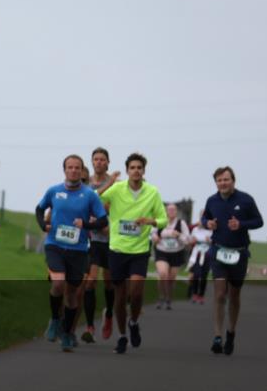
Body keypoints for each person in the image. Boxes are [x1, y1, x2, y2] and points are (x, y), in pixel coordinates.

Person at [36, 154, 109, 351]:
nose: (74, 170)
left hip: (78, 249)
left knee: (72, 295)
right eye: (70, 167)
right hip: (55, 245)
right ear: (64, 170)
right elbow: (39, 209)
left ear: (82, 170)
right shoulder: (54, 191)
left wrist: (85, 224)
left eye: (77, 167)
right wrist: (44, 224)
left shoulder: (90, 195)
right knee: (58, 282)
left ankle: (68, 332)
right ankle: (54, 320)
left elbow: (103, 220)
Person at [99, 152, 167, 355]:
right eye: (132, 168)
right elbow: (93, 198)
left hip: (139, 249)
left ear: (144, 171)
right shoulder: (117, 189)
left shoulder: (152, 192)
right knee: (120, 297)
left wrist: (151, 221)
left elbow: (163, 219)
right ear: (127, 171)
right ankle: (121, 336)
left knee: (136, 293)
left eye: (139, 168)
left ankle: (134, 322)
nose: (136, 171)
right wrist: (109, 182)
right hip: (118, 249)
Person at [202, 165, 264, 356]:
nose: (223, 183)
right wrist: (208, 223)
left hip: (239, 253)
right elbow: (205, 218)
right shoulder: (212, 200)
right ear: (216, 183)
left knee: (234, 296)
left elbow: (259, 221)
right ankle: (217, 336)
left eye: (226, 179)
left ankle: (231, 332)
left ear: (233, 181)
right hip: (219, 251)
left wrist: (241, 224)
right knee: (220, 294)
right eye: (219, 180)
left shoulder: (245, 200)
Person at [82, 147, 120, 342]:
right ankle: (89, 326)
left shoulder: (117, 184)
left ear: (108, 162)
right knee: (90, 281)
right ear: (92, 162)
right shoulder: (85, 183)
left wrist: (110, 224)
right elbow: (89, 200)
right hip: (94, 239)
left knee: (109, 282)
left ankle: (109, 314)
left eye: (102, 159)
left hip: (112, 239)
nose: (98, 162)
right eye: (95, 159)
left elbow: (120, 208)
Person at [153, 203, 191, 310]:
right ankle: (161, 297)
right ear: (165, 211)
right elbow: (152, 233)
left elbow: (187, 240)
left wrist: (178, 235)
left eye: (173, 210)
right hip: (162, 251)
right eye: (169, 210)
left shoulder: (181, 223)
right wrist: (155, 237)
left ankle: (168, 298)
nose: (171, 212)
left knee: (171, 279)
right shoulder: (160, 221)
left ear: (177, 212)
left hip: (176, 253)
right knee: (162, 274)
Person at [187, 218, 212, 304]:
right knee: (196, 275)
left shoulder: (212, 230)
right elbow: (190, 241)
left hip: (207, 255)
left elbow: (216, 243)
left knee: (204, 276)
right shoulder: (195, 229)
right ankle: (194, 294)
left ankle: (201, 295)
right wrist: (192, 241)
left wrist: (210, 241)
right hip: (196, 255)